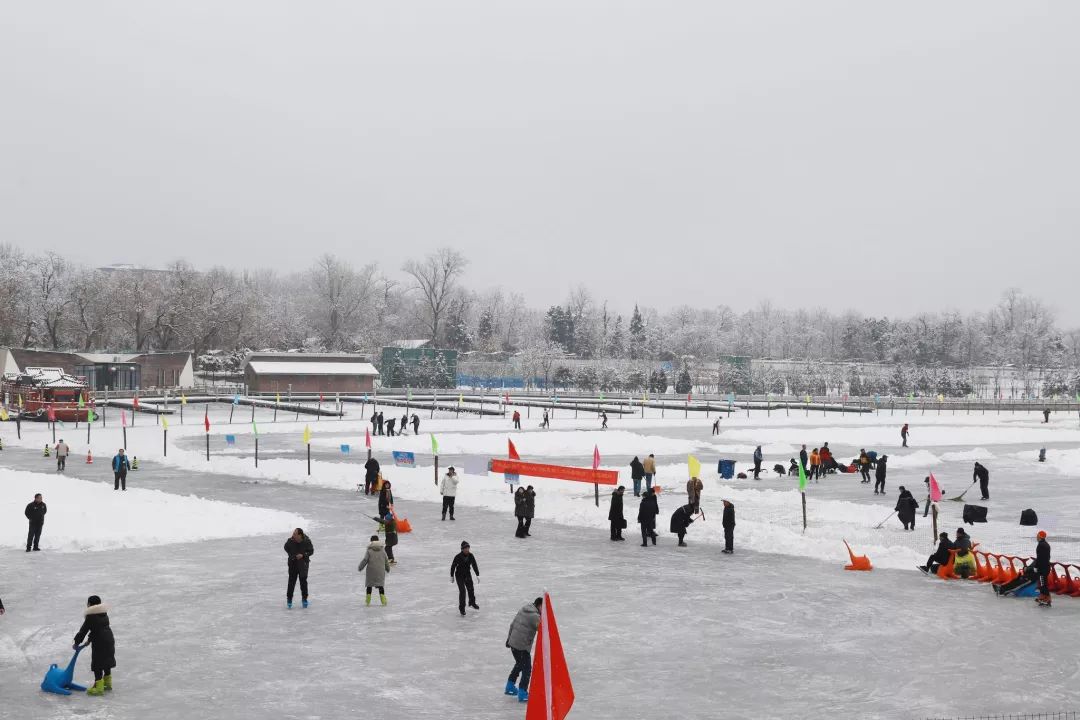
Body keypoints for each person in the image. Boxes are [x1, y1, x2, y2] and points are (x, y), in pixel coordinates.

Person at [73, 595, 115, 696]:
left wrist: (76, 642)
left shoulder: (91, 616)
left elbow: (83, 631)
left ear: (90, 604)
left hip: (99, 642)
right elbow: (98, 629)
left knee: (98, 663)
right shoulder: (104, 614)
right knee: (106, 660)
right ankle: (107, 683)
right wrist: (89, 640)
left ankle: (98, 687)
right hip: (109, 639)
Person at [505, 597, 543, 702]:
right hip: (521, 646)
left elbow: (512, 624)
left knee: (520, 664)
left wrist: (508, 640)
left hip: (513, 643)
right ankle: (522, 692)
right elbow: (542, 630)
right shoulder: (535, 617)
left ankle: (510, 686)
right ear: (539, 606)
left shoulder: (524, 609)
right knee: (527, 669)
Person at [283, 528, 314, 609]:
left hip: (303, 565)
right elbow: (286, 548)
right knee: (291, 582)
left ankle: (304, 599)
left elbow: (311, 551)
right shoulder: (290, 541)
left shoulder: (306, 541)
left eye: (295, 534)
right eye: (293, 533)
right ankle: (289, 599)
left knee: (303, 582)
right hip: (293, 564)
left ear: (300, 535)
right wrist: (293, 556)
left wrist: (303, 555)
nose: (293, 535)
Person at [358, 534, 390, 606]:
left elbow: (365, 560)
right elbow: (386, 560)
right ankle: (383, 600)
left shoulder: (369, 550)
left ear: (371, 541)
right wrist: (388, 568)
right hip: (380, 571)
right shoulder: (382, 550)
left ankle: (368, 601)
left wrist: (360, 567)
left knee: (369, 586)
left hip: (371, 571)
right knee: (380, 586)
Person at [450, 541, 480, 615]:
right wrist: (452, 576)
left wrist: (477, 574)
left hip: (467, 574)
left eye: (468, 548)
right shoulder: (457, 557)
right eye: (465, 548)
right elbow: (453, 566)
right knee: (462, 591)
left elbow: (474, 565)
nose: (467, 549)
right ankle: (462, 608)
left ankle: (472, 603)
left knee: (471, 589)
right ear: (462, 549)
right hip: (459, 576)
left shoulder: (471, 556)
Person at [1034, 530, 1052, 606]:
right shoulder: (1046, 544)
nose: (1036, 537)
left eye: (1037, 536)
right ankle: (1043, 596)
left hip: (1043, 568)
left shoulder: (1041, 545)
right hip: (1046, 566)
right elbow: (1047, 557)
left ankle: (1047, 598)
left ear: (1040, 536)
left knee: (1043, 583)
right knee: (1042, 582)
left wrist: (1036, 566)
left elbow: (1040, 558)